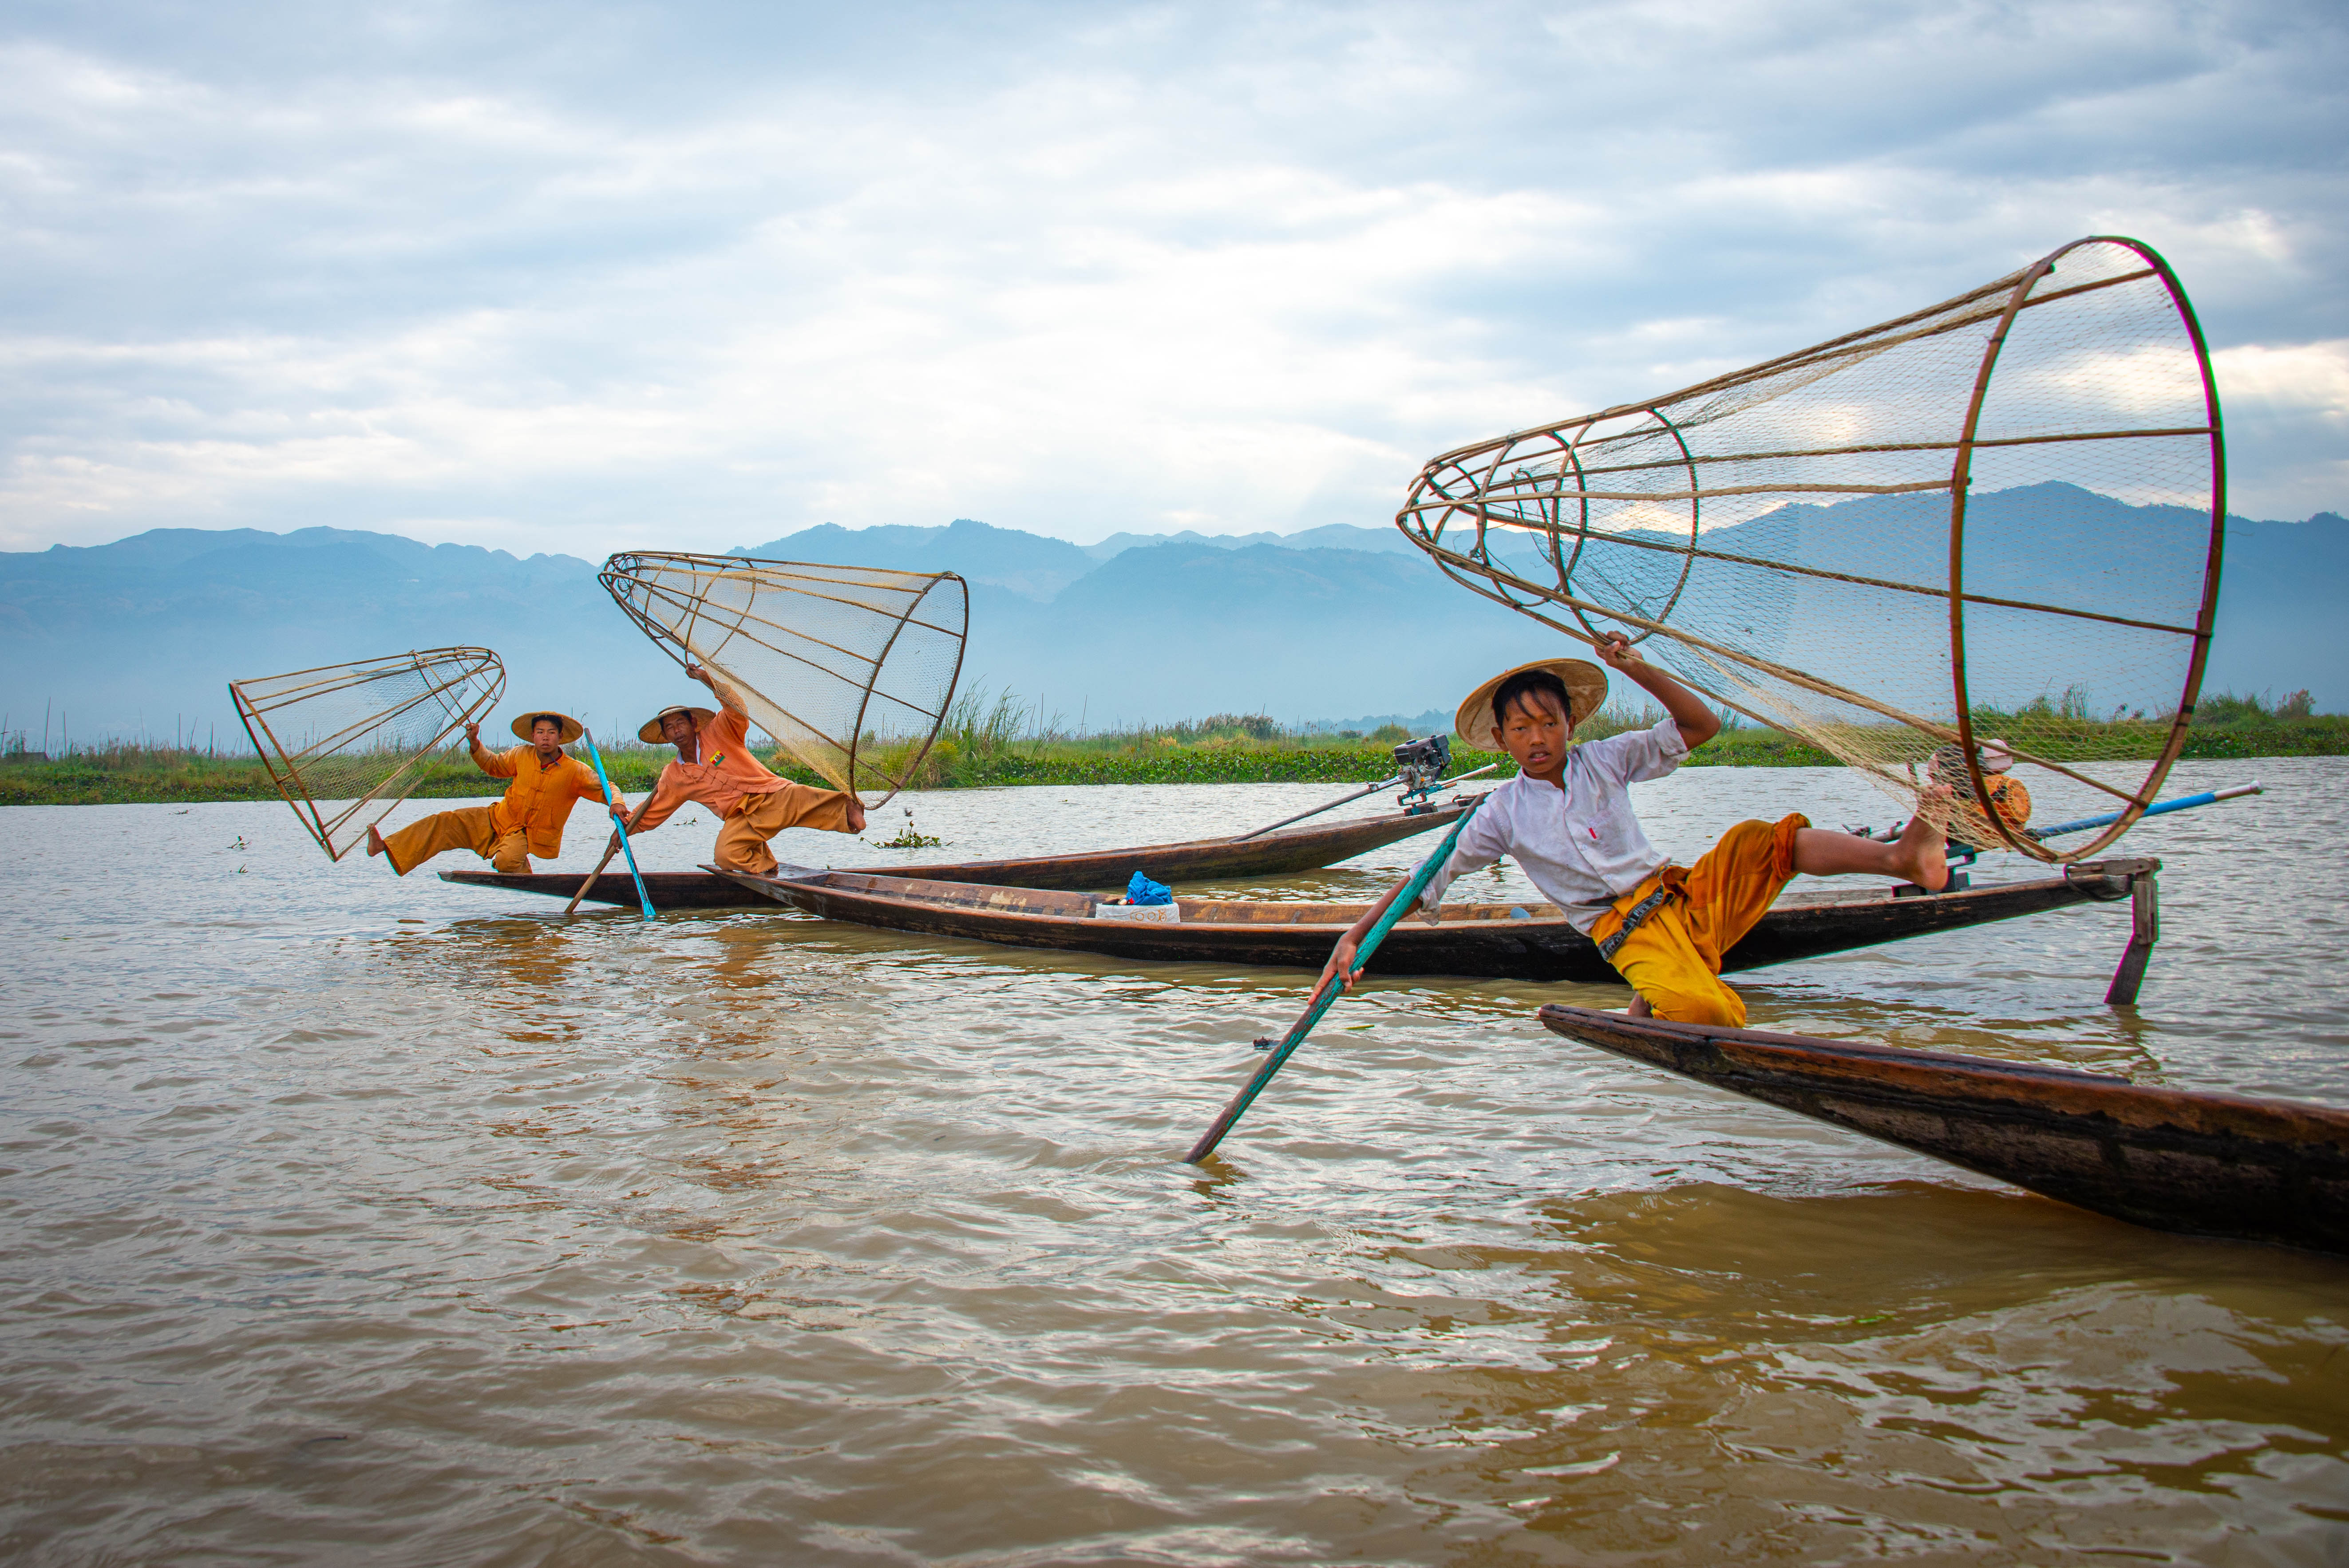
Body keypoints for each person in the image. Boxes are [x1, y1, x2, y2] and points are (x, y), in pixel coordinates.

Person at [1319, 635, 1955, 1028]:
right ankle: (1653, 1002)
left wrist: (1638, 670)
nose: (1537, 738)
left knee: (1763, 840)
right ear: (1500, 738)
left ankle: (1905, 858)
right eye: (1521, 728)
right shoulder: (1502, 812)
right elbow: (1430, 877)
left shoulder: (1605, 759)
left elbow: (1700, 727)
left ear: (1571, 725)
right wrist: (1356, 935)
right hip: (1628, 932)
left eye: (1548, 723)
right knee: (1707, 1011)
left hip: (1683, 897)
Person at [622, 664, 867, 874]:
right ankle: (766, 867)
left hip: (769, 793)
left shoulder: (719, 731)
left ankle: (848, 808)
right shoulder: (674, 775)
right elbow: (654, 810)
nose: (677, 731)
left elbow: (736, 707)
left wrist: (707, 679)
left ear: (693, 723)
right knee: (725, 855)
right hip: (740, 817)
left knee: (802, 798)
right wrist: (624, 831)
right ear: (666, 736)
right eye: (670, 728)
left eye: (680, 723)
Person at [367, 711, 627, 875]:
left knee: (505, 862)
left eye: (551, 733)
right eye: (540, 733)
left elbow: (608, 787)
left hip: (527, 835)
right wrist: (475, 743)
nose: (545, 738)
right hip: (498, 818)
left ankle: (521, 869)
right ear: (533, 736)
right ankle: (386, 846)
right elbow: (492, 765)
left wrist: (616, 803)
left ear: (560, 737)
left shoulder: (575, 771)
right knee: (445, 822)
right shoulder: (521, 755)